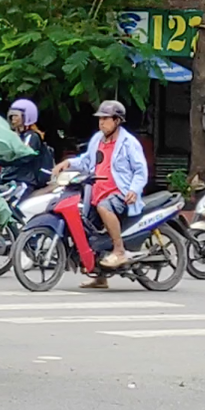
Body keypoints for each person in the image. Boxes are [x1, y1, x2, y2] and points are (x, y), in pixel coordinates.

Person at [52, 100, 148, 286]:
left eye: (106, 119)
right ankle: (100, 277)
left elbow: (140, 170)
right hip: (96, 191)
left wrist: (134, 190)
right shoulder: (97, 139)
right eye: (100, 119)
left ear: (117, 121)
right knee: (90, 230)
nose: (101, 122)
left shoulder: (129, 143)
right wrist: (68, 163)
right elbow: (87, 161)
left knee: (105, 206)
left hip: (120, 193)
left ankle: (119, 250)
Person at [0, 99, 52, 190]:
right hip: (10, 179)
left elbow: (24, 155)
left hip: (25, 181)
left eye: (16, 116)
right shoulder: (15, 136)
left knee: (12, 203)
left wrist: (3, 160)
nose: (13, 119)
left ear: (27, 117)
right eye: (11, 116)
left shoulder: (32, 136)